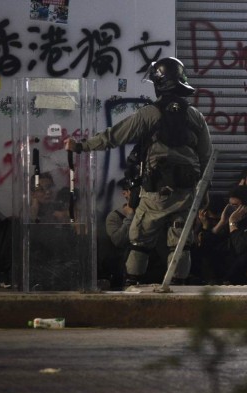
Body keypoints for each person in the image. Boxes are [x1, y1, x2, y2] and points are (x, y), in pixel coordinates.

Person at [64, 56, 213, 287]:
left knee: (140, 242)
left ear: (159, 84)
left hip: (156, 192)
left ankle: (133, 286)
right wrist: (204, 191)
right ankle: (180, 294)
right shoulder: (196, 116)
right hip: (186, 192)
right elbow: (206, 156)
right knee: (180, 241)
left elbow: (115, 136)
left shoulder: (149, 114)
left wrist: (82, 146)